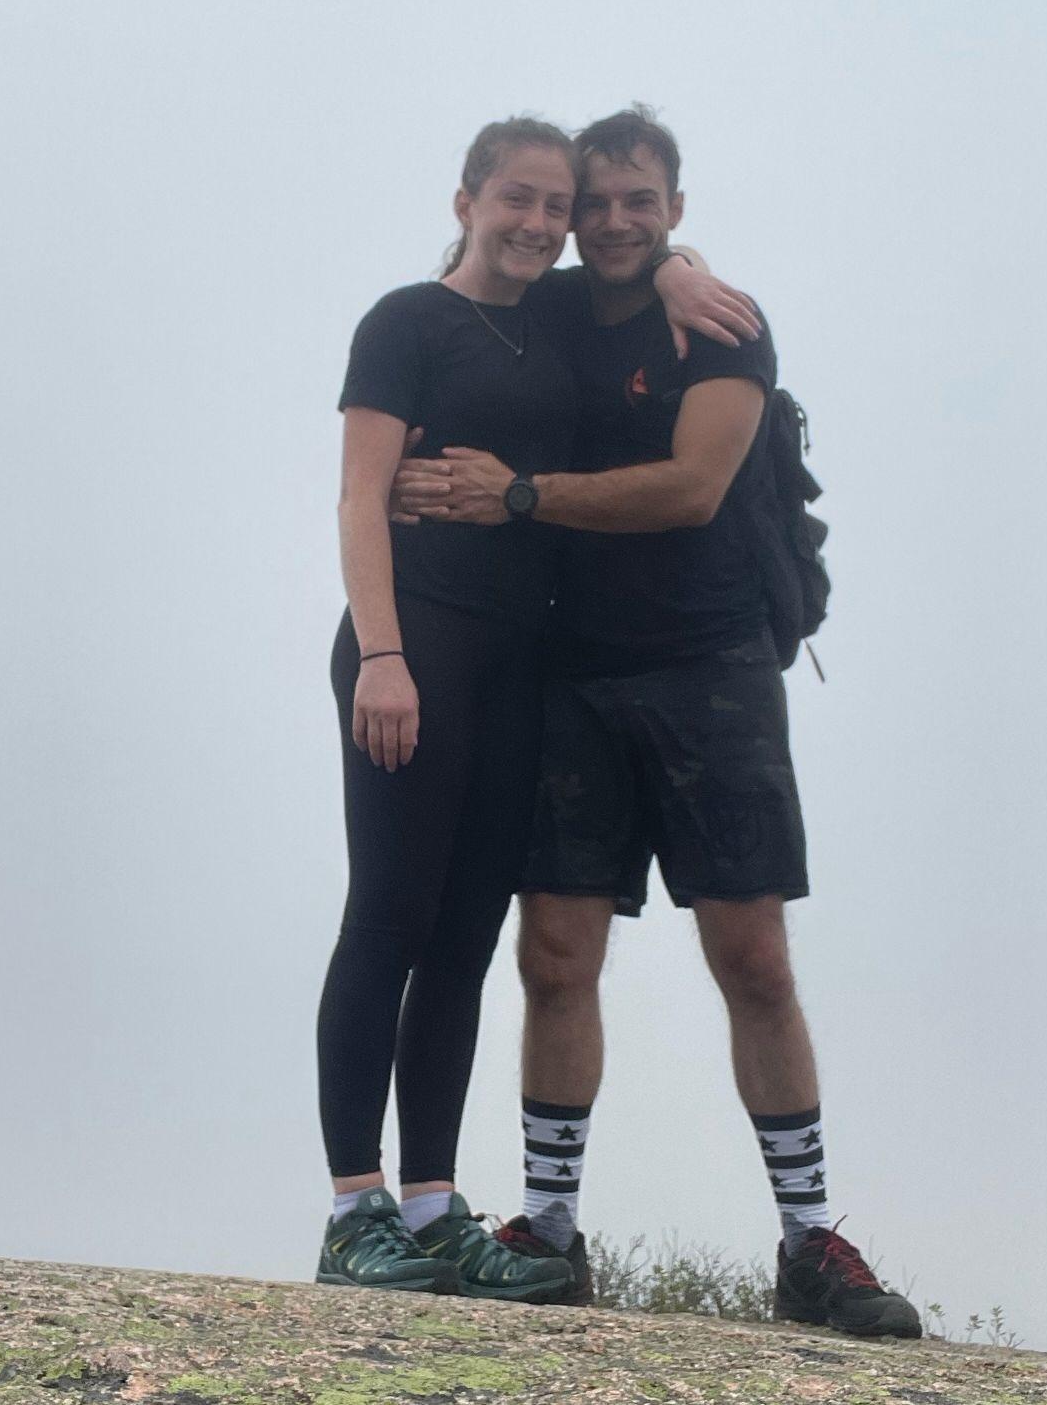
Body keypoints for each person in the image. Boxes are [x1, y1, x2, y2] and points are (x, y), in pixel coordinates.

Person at [393, 106, 923, 1338]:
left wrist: (518, 495)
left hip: (712, 667)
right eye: (599, 203)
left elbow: (692, 489)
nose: (617, 222)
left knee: (754, 961)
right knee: (556, 959)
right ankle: (551, 1232)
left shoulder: (723, 321)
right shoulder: (556, 307)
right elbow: (457, 302)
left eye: (644, 204)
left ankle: (808, 1242)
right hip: (568, 673)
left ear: (678, 208)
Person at [316, 114, 752, 1302]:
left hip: (521, 665)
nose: (542, 223)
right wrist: (384, 656)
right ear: (465, 199)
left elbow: (644, 250)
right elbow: (359, 496)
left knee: (465, 939)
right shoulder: (406, 321)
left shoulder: (554, 321)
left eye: (555, 208)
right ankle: (354, 1207)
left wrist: (676, 261)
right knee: (391, 916)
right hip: (417, 645)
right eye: (518, 198)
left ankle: (432, 1203)